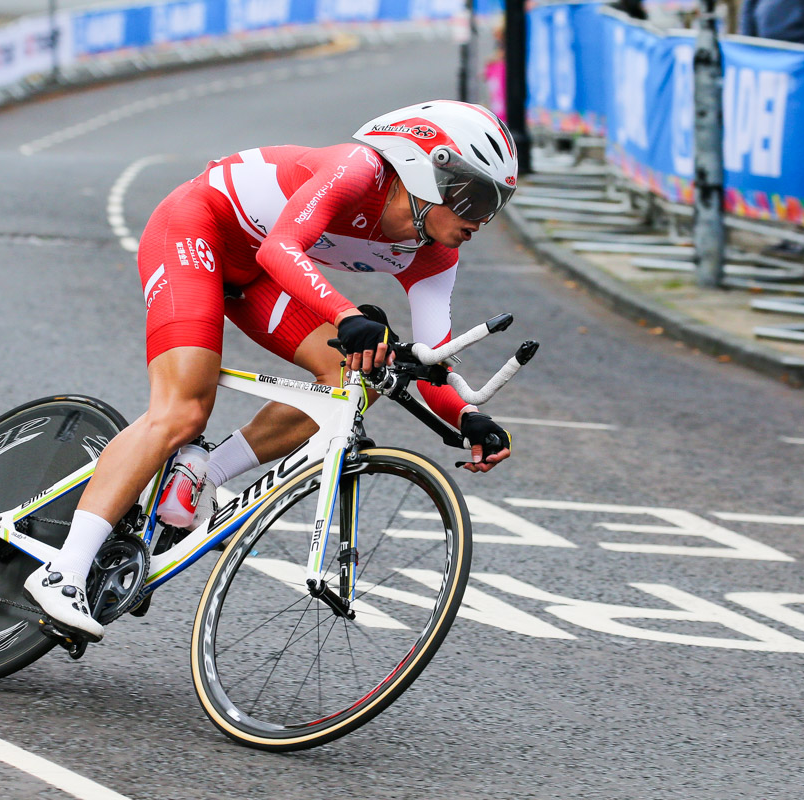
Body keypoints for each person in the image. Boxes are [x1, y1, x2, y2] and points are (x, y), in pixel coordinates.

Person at [26, 101, 518, 639]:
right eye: (476, 196)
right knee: (184, 408)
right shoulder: (358, 172)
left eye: (496, 203)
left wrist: (466, 415)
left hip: (257, 271)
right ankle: (62, 572)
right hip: (199, 229)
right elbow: (283, 248)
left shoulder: (435, 254)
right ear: (426, 168)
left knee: (360, 377)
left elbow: (432, 355)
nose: (482, 219)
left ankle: (203, 473)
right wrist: (347, 315)